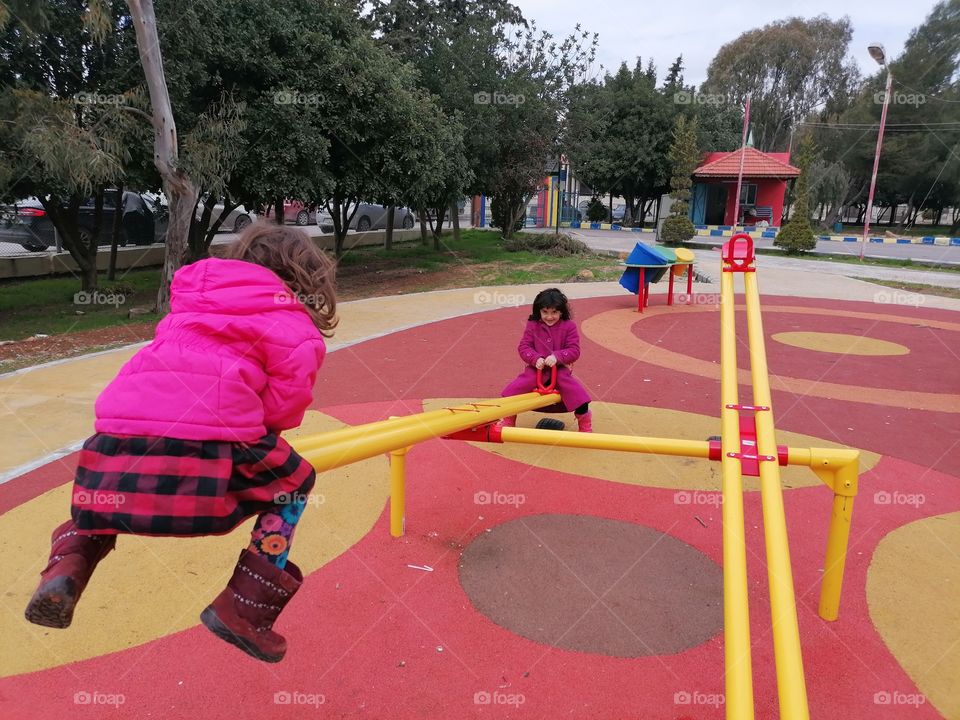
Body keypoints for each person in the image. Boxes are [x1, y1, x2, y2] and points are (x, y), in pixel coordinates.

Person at [23, 223, 337, 664]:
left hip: (112, 442)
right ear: (305, 276)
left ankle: (69, 562)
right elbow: (283, 409)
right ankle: (245, 607)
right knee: (295, 482)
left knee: (104, 496)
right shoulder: (292, 323)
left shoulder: (190, 305)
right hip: (208, 447)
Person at [500, 288, 592, 432]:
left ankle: (585, 423)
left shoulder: (569, 326)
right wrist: (535, 358)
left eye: (554, 312)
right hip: (536, 370)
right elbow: (524, 347)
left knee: (578, 394)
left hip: (559, 371)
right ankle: (508, 419)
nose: (549, 317)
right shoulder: (533, 325)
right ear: (539, 311)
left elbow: (574, 350)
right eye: (545, 312)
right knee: (513, 390)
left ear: (561, 312)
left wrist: (557, 357)